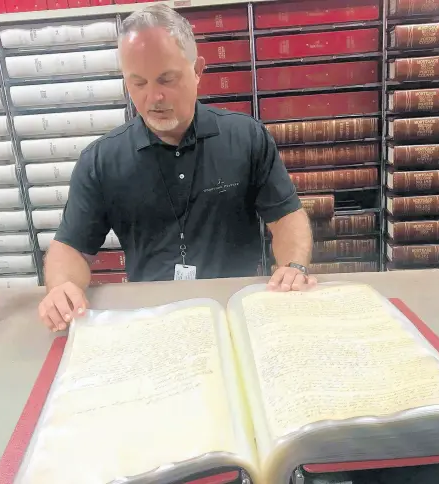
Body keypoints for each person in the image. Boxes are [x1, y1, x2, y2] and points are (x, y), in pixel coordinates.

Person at [38, 4, 316, 332]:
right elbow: (70, 247)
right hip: (153, 319)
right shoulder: (101, 160)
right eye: (137, 83)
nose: (154, 96)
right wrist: (61, 288)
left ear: (198, 70)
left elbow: (287, 218)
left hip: (238, 309)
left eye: (167, 79)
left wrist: (293, 266)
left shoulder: (246, 137)